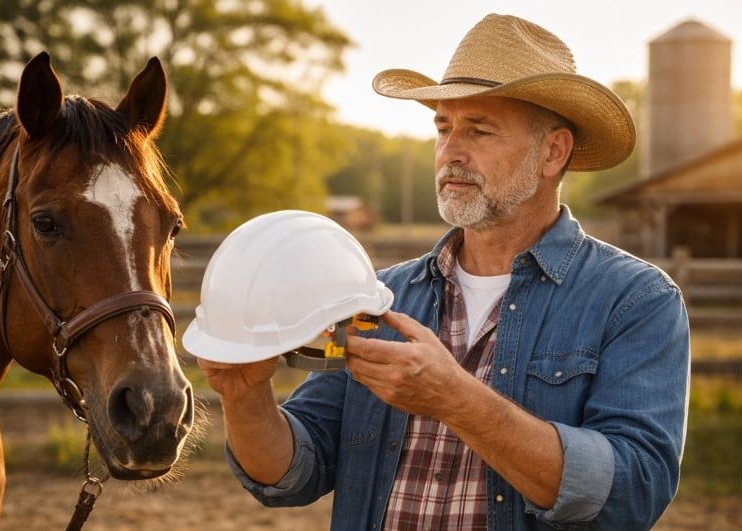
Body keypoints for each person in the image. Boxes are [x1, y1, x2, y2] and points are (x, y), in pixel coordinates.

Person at [198, 13, 690, 530]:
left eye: (479, 130)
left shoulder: (635, 300)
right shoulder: (377, 295)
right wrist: (244, 395)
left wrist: (457, 400)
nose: (451, 151)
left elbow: (633, 493)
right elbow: (294, 474)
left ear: (553, 152)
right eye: (443, 127)